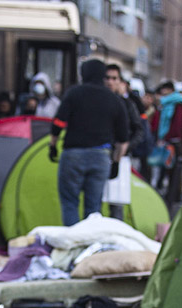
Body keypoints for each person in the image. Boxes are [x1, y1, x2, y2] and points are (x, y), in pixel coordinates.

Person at [49, 58, 128, 226]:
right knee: (93, 207)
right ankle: (90, 248)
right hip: (101, 156)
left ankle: (73, 244)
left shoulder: (74, 93)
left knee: (70, 202)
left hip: (73, 154)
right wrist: (116, 161)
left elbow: (58, 123)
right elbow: (123, 138)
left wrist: (53, 146)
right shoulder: (114, 100)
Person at [103, 64, 146, 219]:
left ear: (120, 81)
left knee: (116, 203)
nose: (110, 82)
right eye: (107, 78)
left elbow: (139, 129)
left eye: (114, 78)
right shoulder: (97, 100)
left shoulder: (127, 104)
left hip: (119, 158)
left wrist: (125, 149)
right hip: (100, 154)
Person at [150, 81, 182, 204]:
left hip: (174, 142)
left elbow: (177, 125)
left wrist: (171, 138)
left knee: (173, 170)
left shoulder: (177, 103)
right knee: (169, 169)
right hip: (169, 140)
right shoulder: (167, 104)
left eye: (164, 91)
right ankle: (171, 195)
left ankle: (172, 197)